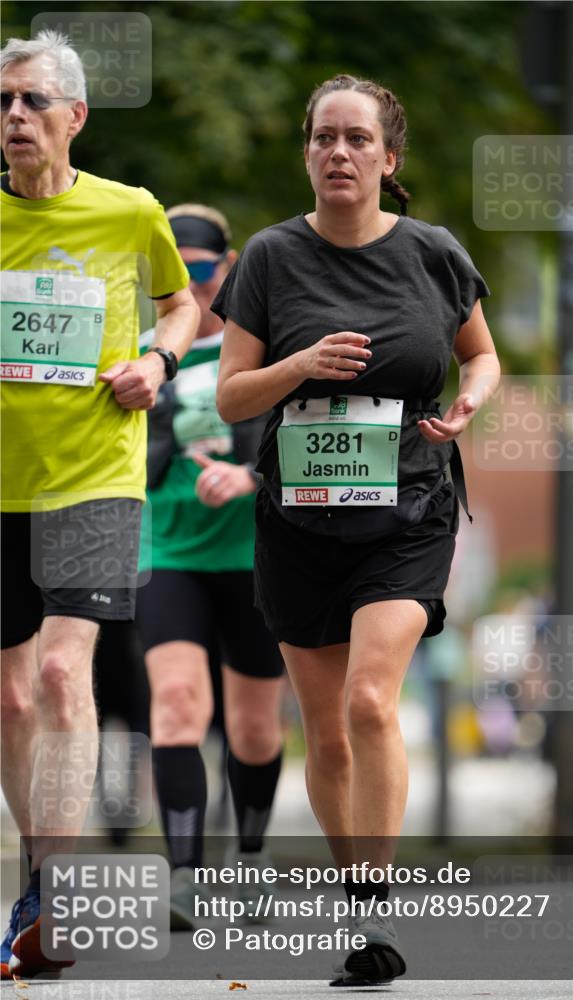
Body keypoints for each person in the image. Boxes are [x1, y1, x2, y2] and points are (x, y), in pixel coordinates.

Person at [212, 74, 501, 987]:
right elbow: (229, 395)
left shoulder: (433, 254)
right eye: (323, 138)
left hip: (406, 512)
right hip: (298, 522)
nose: (338, 153)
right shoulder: (267, 257)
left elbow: (482, 354)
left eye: (356, 139)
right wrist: (298, 363)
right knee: (325, 733)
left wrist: (469, 405)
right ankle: (355, 906)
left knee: (372, 702)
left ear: (388, 157)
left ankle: (375, 910)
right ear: (307, 152)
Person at [0, 31, 198, 979]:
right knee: (7, 694)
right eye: (3, 103)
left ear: (75, 116)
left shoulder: (130, 213)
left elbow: (182, 303)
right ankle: (37, 876)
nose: (14, 118)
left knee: (58, 680)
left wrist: (157, 361)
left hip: (93, 479)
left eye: (33, 101)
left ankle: (49, 895)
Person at [136, 203, 285, 930]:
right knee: (176, 705)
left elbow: (300, 436)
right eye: (176, 273)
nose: (191, 288)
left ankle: (250, 861)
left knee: (255, 728)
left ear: (225, 270)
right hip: (165, 550)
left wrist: (251, 478)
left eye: (202, 271)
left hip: (253, 556)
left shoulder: (261, 349)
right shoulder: (145, 353)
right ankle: (185, 876)